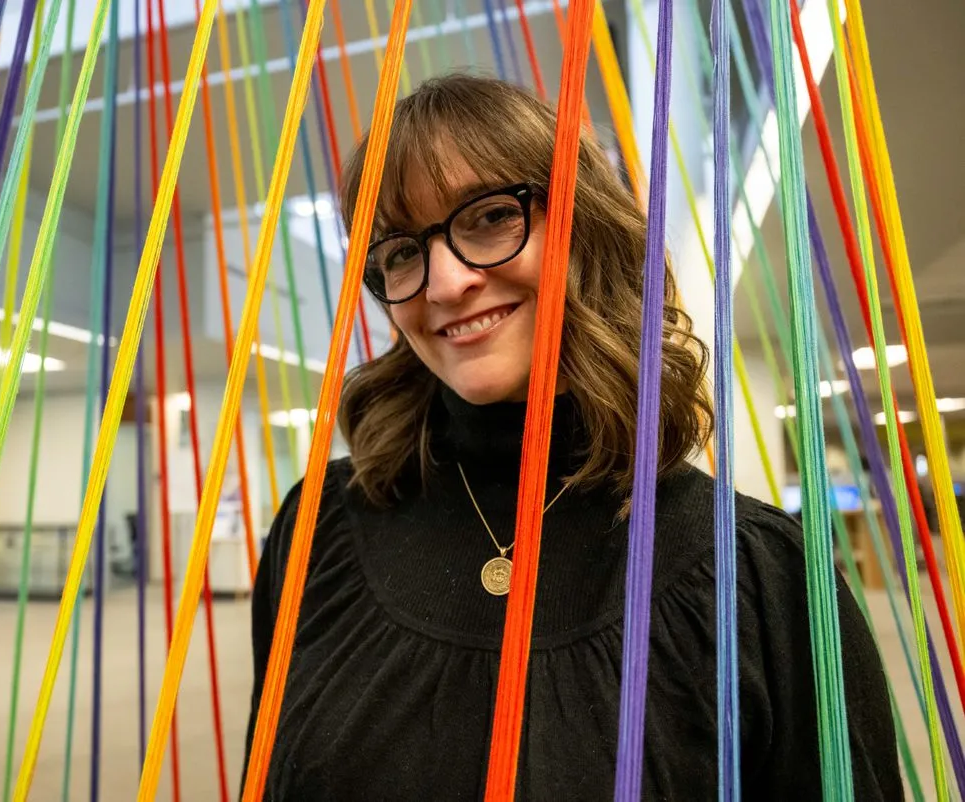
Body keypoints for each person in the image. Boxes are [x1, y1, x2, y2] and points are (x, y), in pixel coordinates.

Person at [244, 74, 900, 800]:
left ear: (583, 227)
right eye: (401, 250)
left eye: (490, 216)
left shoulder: (760, 578)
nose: (445, 281)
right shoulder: (319, 530)